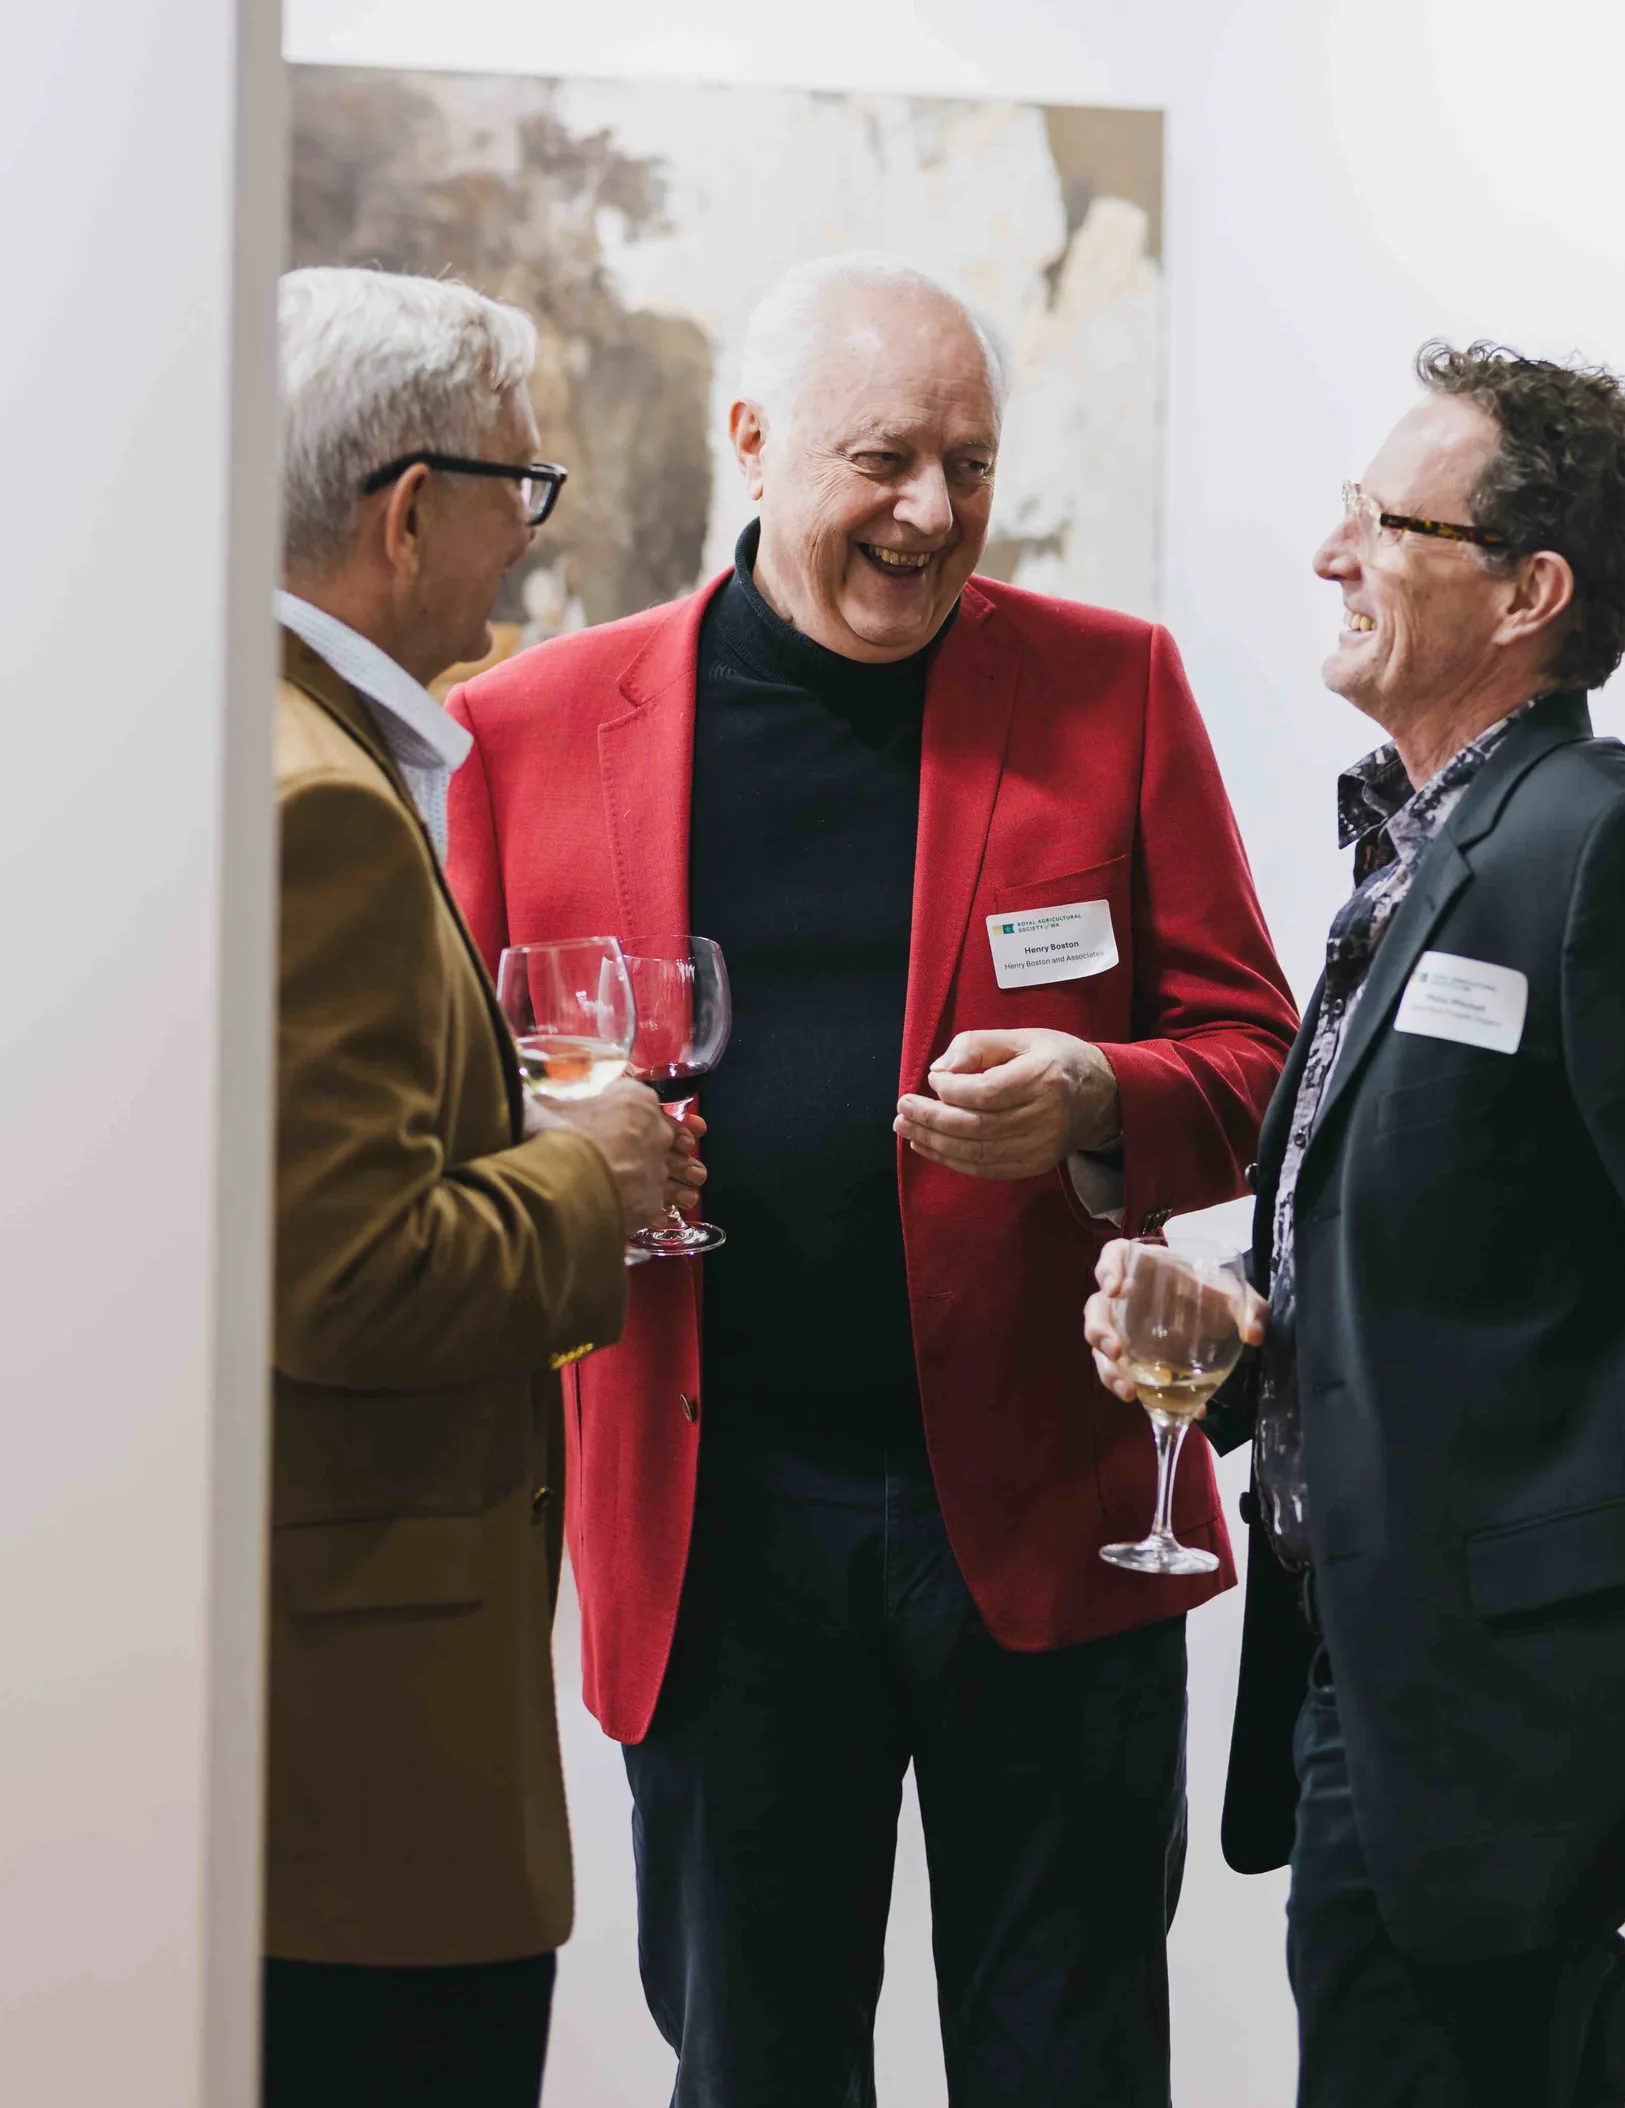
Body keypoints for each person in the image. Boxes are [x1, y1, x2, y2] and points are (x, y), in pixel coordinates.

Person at [445, 252, 1298, 2108]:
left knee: (1069, 2063)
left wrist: (1097, 1091)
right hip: (714, 1519)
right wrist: (558, 1155)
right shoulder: (525, 734)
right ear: (750, 444)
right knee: (754, 2065)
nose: (933, 515)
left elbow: (1258, 1060)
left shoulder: (1111, 688)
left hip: (1050, 1502)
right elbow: (446, 1114)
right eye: (885, 460)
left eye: (972, 467)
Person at [1087, 340, 1625, 2108]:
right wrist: (1244, 1331)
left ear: (1528, 592)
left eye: (1381, 520)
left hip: (1515, 1733)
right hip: (1372, 1696)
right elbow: (1488, 1270)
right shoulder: (1424, 851)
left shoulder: (1606, 855)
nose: (1329, 552)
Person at [266, 267, 705, 2108]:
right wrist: (585, 1177)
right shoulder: (325, 807)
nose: (528, 544)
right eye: (519, 491)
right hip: (363, 1756)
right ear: (406, 509)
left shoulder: (273, 745)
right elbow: (348, 1275)